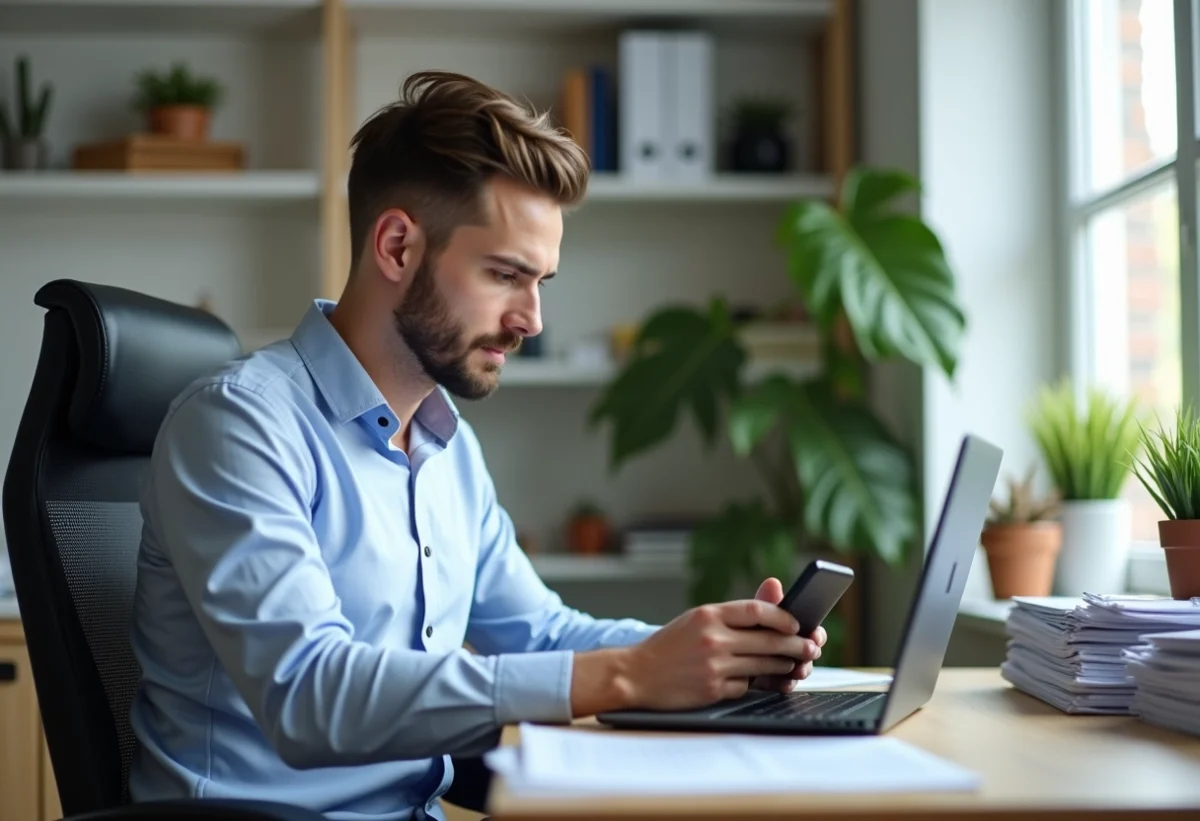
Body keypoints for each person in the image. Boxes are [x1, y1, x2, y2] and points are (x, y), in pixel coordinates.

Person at [127, 70, 827, 821]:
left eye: (542, 281)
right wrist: (627, 674)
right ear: (397, 246)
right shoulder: (239, 425)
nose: (531, 318)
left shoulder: (445, 446)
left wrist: (713, 649)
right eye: (505, 275)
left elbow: (541, 631)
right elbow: (308, 693)